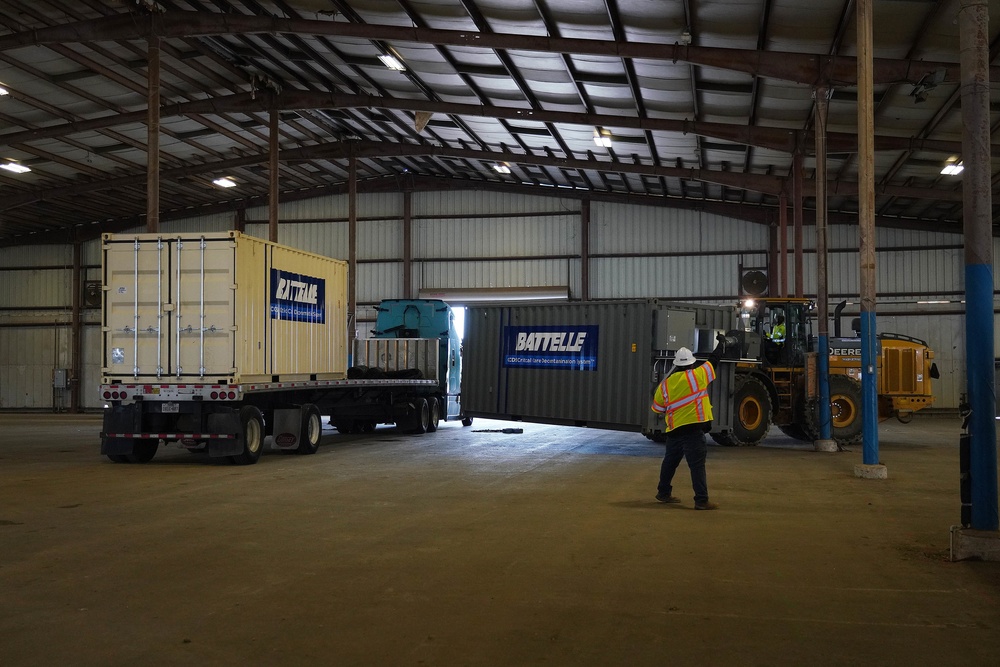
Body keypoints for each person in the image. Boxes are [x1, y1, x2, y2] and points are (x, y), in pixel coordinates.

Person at [650, 337, 726, 510]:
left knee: (670, 462)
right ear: (692, 364)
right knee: (697, 465)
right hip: (693, 431)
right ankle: (701, 500)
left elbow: (658, 408)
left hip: (675, 430)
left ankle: (663, 493)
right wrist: (721, 344)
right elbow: (714, 360)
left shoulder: (666, 385)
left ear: (676, 365)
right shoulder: (698, 375)